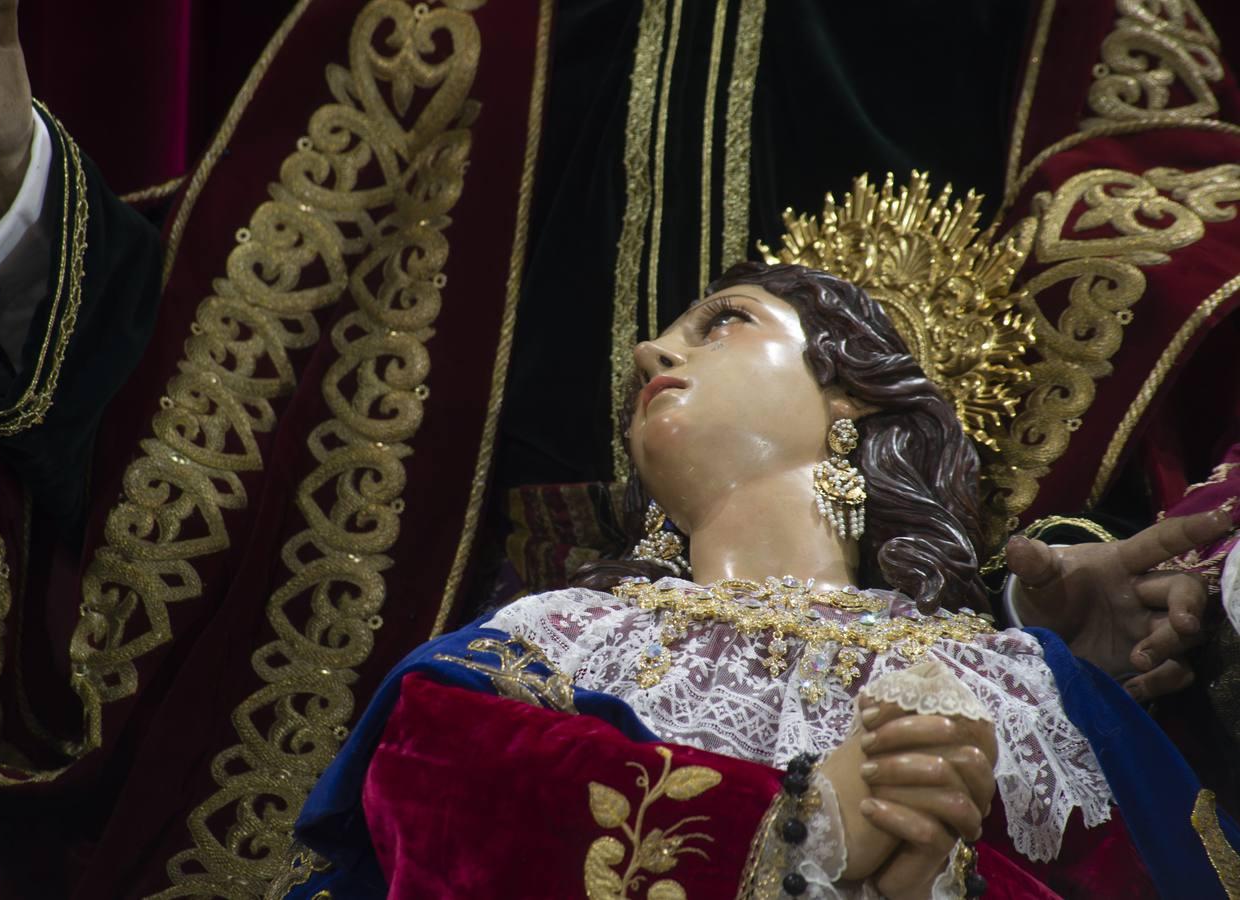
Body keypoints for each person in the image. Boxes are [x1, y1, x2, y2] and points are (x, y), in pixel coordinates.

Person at [0, 2, 1237, 897]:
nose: (656, 354)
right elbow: (210, 390)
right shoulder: (430, 33)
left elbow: (1140, 329)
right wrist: (3, 194)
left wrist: (1050, 584)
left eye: (722, 323)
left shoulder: (1067, 31)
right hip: (435, 650)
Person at [281, 264, 1239, 898]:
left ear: (851, 394)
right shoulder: (563, 637)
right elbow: (437, 792)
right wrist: (799, 826)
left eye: (721, 323)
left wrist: (954, 877)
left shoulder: (1022, 685)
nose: (652, 354)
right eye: (659, 345)